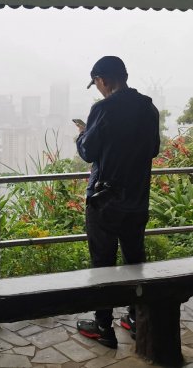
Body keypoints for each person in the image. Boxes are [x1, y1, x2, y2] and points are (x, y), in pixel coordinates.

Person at [74, 56, 160, 348]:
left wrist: (83, 134)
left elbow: (88, 151)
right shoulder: (148, 107)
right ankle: (135, 318)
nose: (97, 89)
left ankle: (103, 326)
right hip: (137, 200)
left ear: (103, 80)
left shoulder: (103, 109)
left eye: (96, 83)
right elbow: (153, 149)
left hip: (105, 202)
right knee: (135, 260)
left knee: (103, 264)